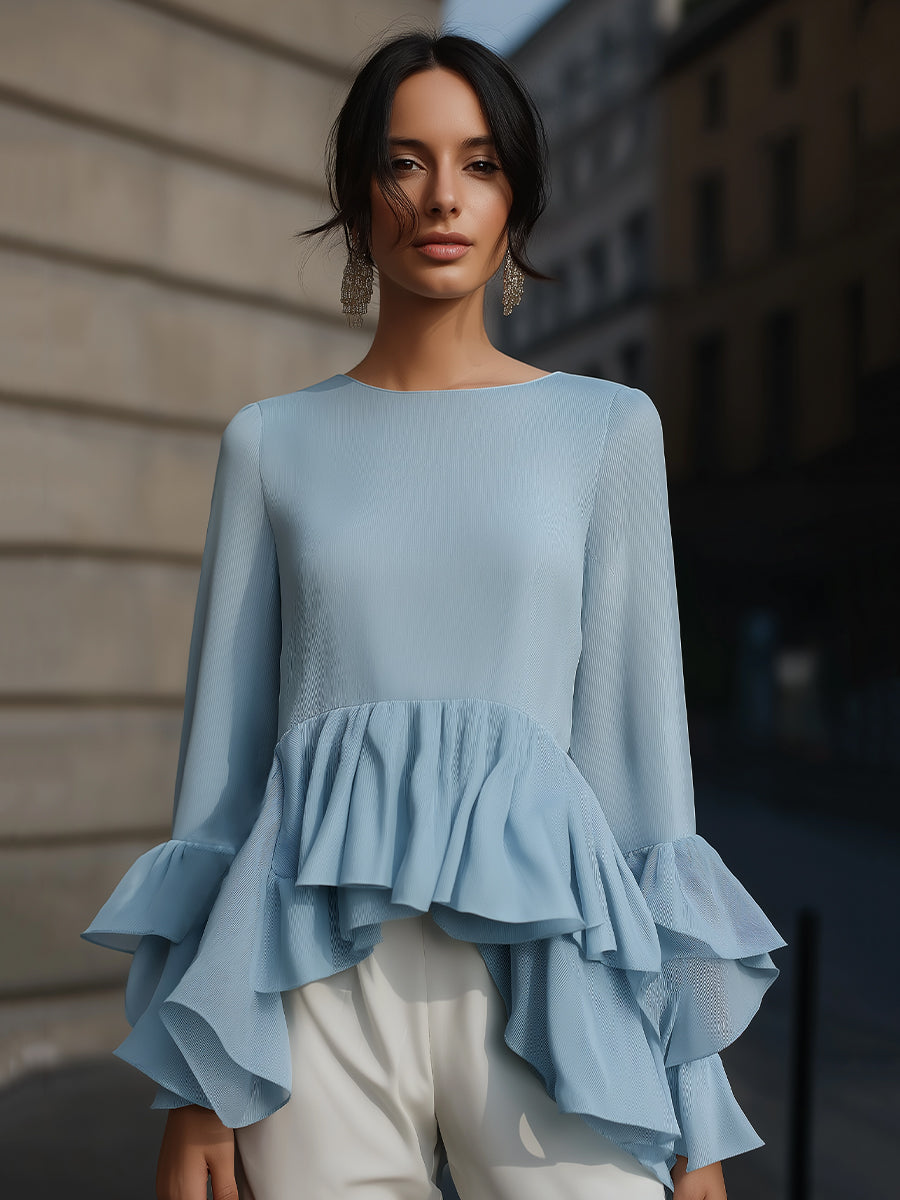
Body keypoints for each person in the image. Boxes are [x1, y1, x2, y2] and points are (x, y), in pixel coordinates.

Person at [81, 27, 786, 1200]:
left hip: (556, 978)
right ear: (359, 197)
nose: (443, 196)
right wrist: (197, 1079)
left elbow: (643, 783)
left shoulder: (607, 431)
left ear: (517, 200)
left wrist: (694, 1103)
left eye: (480, 163)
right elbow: (220, 788)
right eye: (404, 162)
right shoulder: (269, 443)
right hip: (315, 992)